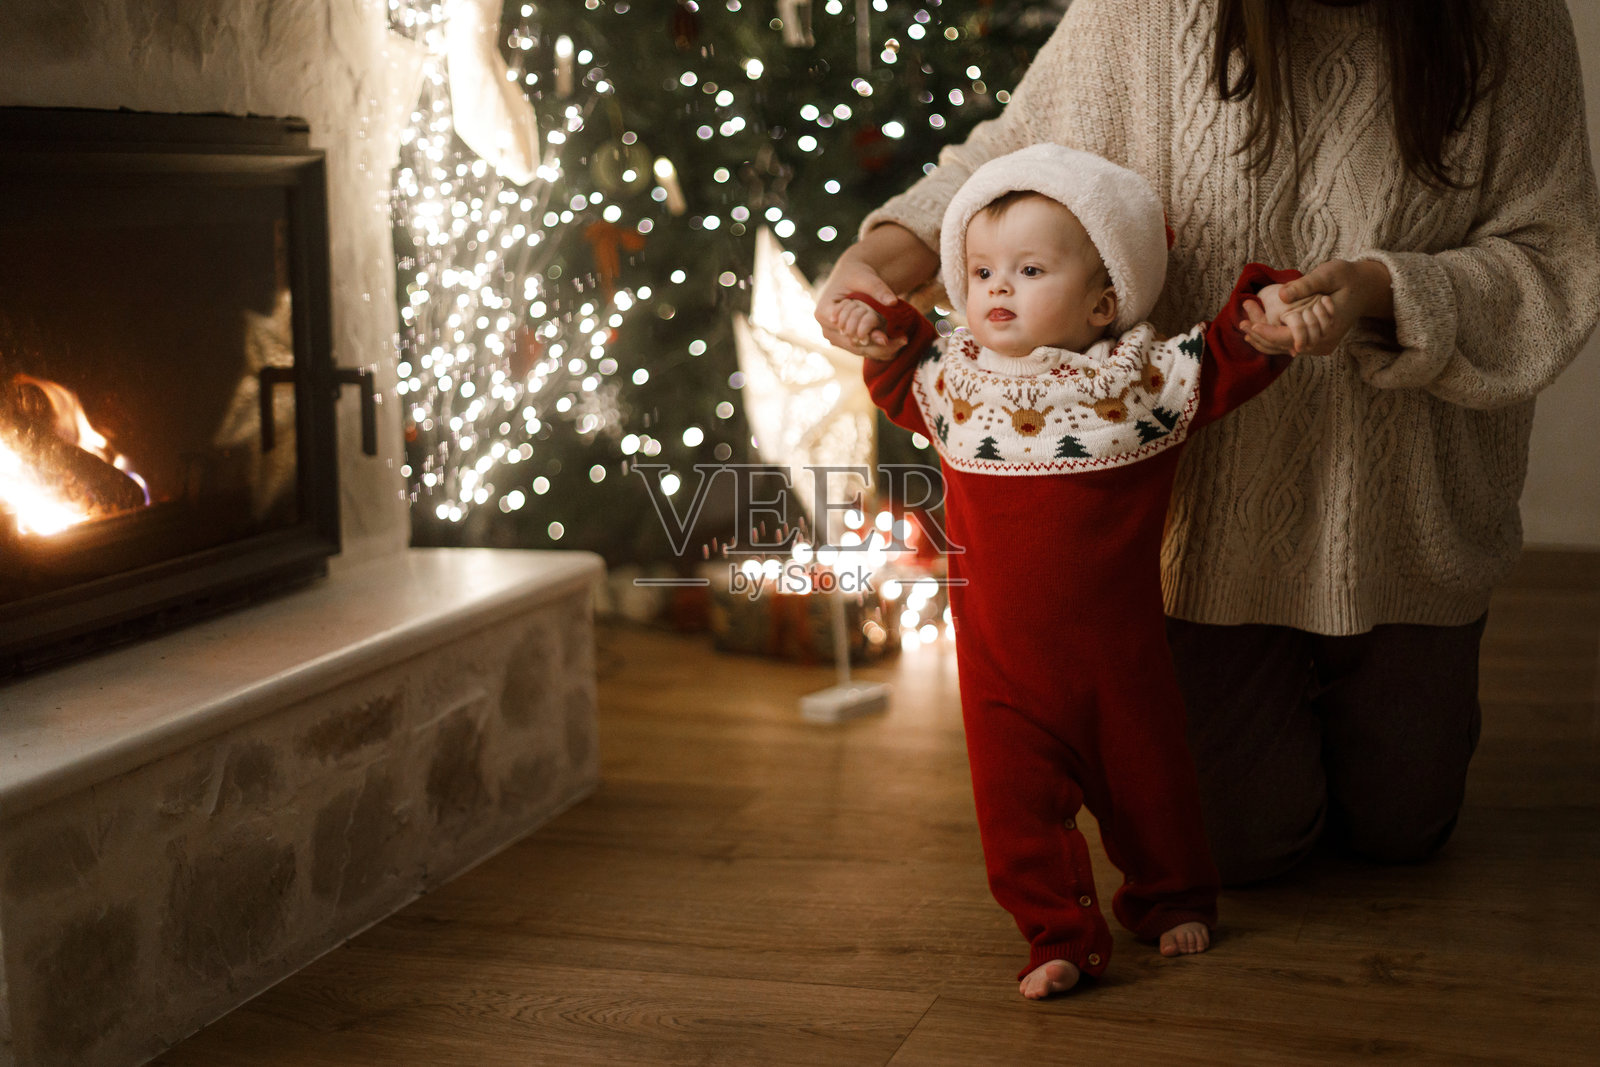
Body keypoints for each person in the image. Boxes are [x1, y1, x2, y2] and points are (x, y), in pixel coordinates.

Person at [816, 0, 1600, 887]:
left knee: (1402, 829)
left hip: (1405, 522)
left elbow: (1554, 256)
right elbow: (1008, 158)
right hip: (1209, 528)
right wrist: (875, 261)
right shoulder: (1145, 12)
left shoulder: (1511, 18)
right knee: (1243, 847)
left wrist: (1383, 290)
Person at [839, 142, 1326, 999]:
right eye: (980, 271)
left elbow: (1227, 353)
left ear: (1104, 300)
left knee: (1152, 784)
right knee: (1014, 811)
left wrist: (1269, 311)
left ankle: (1170, 894)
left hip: (1119, 658)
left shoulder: (1143, 381)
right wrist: (876, 328)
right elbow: (896, 372)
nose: (997, 287)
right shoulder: (951, 379)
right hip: (998, 664)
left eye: (1029, 270)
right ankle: (1055, 931)